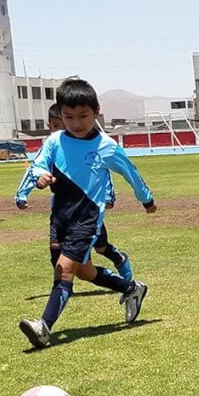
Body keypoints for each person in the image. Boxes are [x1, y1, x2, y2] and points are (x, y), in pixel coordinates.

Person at [18, 78, 156, 349]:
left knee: (64, 269)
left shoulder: (106, 146)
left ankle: (43, 327)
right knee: (84, 272)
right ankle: (131, 288)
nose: (76, 123)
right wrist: (39, 177)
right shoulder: (55, 141)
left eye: (83, 116)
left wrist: (146, 199)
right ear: (60, 114)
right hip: (59, 218)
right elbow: (37, 165)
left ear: (96, 112)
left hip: (87, 219)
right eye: (68, 117)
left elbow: (131, 172)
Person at [15, 103, 133, 280]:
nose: (57, 131)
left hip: (88, 209)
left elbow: (101, 174)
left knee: (100, 247)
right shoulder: (50, 148)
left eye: (61, 126)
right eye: (54, 126)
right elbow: (35, 169)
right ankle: (63, 280)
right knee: (55, 245)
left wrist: (108, 195)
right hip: (63, 211)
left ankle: (119, 259)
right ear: (49, 126)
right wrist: (22, 194)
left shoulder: (89, 146)